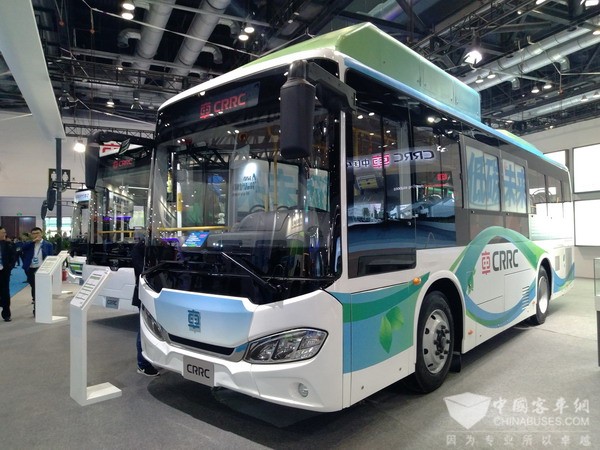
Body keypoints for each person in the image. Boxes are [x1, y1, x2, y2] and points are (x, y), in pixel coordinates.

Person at [131, 233, 159, 377]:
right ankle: (143, 364)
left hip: (155, 292)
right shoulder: (139, 249)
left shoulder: (155, 248)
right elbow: (143, 271)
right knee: (143, 329)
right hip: (144, 293)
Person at [21, 227, 54, 315]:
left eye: (38, 233)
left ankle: (37, 308)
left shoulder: (48, 244)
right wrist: (33, 242)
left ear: (41, 234)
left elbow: (50, 257)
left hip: (42, 268)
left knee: (40, 288)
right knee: (34, 286)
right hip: (31, 268)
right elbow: (22, 248)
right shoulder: (29, 244)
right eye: (34, 233)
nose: (36, 235)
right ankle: (35, 300)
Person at [0, 226, 17, 321]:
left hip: (4, 271)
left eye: (4, 232)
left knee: (5, 291)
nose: (4, 234)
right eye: (2, 232)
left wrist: (10, 267)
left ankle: (6, 314)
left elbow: (13, 257)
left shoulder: (9, 244)